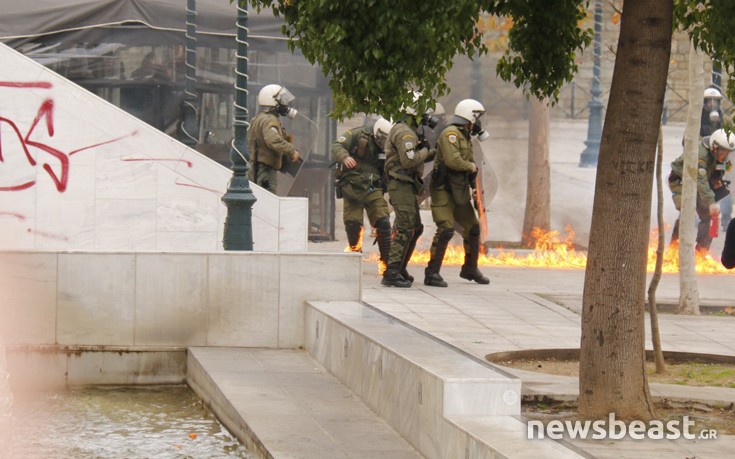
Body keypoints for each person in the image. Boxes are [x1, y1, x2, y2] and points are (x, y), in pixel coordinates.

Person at [424, 99, 490, 287]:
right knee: (445, 229)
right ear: (469, 116)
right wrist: (470, 166)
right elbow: (454, 162)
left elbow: (471, 166)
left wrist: (475, 188)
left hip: (459, 190)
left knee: (473, 228)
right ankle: (432, 273)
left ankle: (470, 268)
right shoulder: (450, 134)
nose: (478, 122)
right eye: (476, 117)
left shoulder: (465, 136)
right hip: (443, 190)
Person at [381, 95, 437, 287]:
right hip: (401, 185)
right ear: (414, 112)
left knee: (416, 227)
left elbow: (413, 156)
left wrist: (428, 151)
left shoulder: (407, 130)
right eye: (423, 112)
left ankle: (400, 267)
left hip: (406, 185)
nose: (426, 117)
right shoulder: (405, 133)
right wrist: (426, 150)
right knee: (405, 227)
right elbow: (409, 160)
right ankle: (391, 272)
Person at [331, 116, 393, 269]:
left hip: (373, 188)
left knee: (383, 223)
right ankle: (354, 258)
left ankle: (388, 266)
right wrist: (345, 157)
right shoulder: (358, 134)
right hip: (352, 186)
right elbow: (336, 146)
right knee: (353, 224)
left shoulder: (389, 144)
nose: (384, 143)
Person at [669, 128, 735, 253]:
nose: (724, 156)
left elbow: (720, 169)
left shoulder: (721, 155)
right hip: (681, 180)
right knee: (687, 211)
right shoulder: (701, 155)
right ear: (714, 147)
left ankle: (701, 251)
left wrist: (717, 179)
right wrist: (711, 202)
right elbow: (701, 180)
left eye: (727, 153)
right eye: (722, 152)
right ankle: (673, 249)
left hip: (699, 182)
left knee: (708, 215)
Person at [247, 84, 300, 193]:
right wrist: (291, 151)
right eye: (281, 101)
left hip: (258, 168)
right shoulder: (270, 120)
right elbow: (273, 140)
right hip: (265, 171)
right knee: (267, 202)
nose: (284, 104)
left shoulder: (259, 118)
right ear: (272, 101)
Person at [700, 87, 732, 228]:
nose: (712, 104)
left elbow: (732, 139)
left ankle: (726, 219)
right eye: (708, 101)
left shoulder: (725, 120)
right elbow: (686, 141)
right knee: (702, 188)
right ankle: (700, 216)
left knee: (724, 189)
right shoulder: (698, 119)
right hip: (706, 160)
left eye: (715, 101)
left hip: (721, 161)